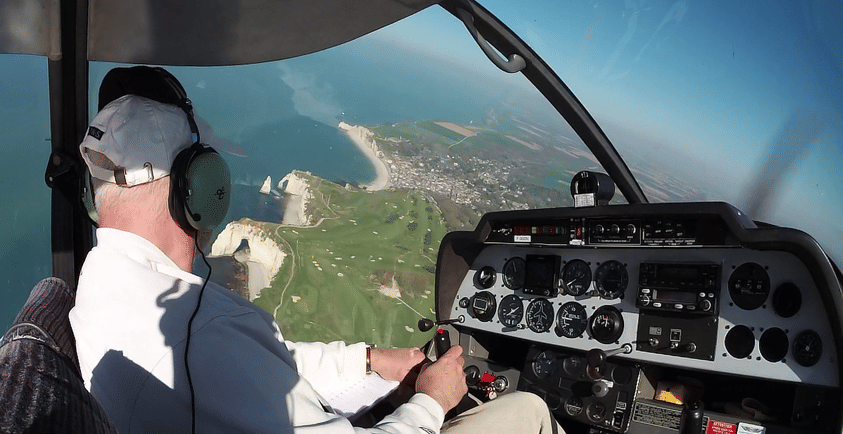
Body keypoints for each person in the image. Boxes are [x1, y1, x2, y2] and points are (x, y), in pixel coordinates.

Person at [70, 66, 561, 434]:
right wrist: (431, 402)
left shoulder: (99, 288)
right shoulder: (201, 332)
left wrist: (367, 361)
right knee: (530, 411)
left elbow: (260, 367)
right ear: (195, 188)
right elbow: (232, 360)